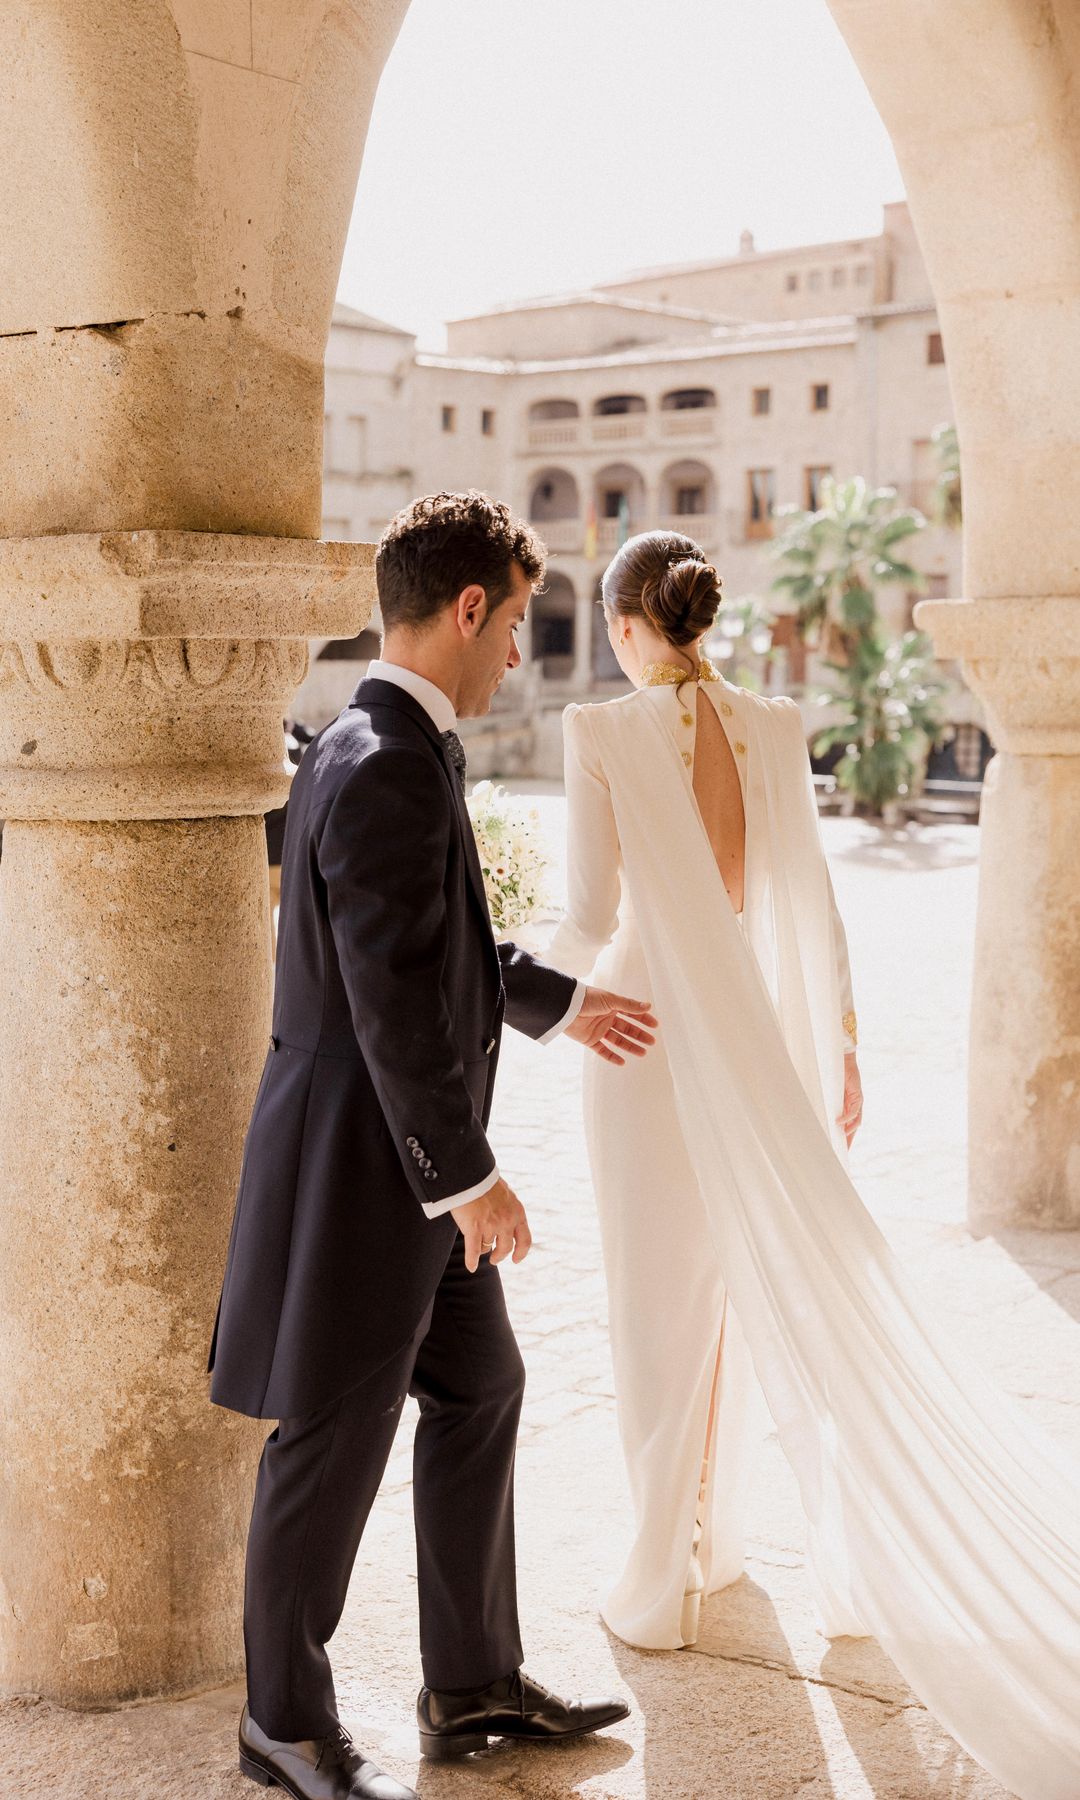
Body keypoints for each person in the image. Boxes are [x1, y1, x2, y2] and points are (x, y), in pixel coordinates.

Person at [545, 529, 1080, 1800]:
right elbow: (811, 905)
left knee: (652, 1305)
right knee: (737, 1293)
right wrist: (835, 1049)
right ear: (700, 619)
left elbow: (584, 914)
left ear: (626, 625)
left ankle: (664, 1578)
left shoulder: (599, 733)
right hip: (753, 1029)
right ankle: (714, 1545)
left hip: (639, 1033)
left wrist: (494, 963)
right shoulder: (779, 725)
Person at [208, 492, 657, 1800]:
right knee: (328, 1444)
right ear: (468, 608)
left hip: (393, 1166)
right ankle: (281, 1723)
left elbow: (427, 943)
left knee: (483, 1390)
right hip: (377, 1178)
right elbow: (393, 998)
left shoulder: (380, 735)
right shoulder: (391, 758)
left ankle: (467, 1689)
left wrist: (556, 1000)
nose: (520, 647)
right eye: (515, 620)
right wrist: (471, 1180)